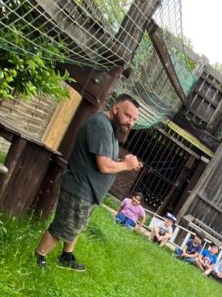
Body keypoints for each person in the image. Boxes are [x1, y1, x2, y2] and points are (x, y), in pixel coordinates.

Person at [35, 94, 142, 272]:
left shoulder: (112, 128)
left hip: (89, 190)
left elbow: (105, 159)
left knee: (76, 224)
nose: (130, 122)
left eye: (134, 119)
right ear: (116, 109)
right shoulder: (101, 125)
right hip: (80, 187)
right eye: (127, 115)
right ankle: (39, 256)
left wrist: (124, 161)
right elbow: (104, 165)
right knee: (64, 226)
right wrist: (126, 165)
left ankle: (66, 256)